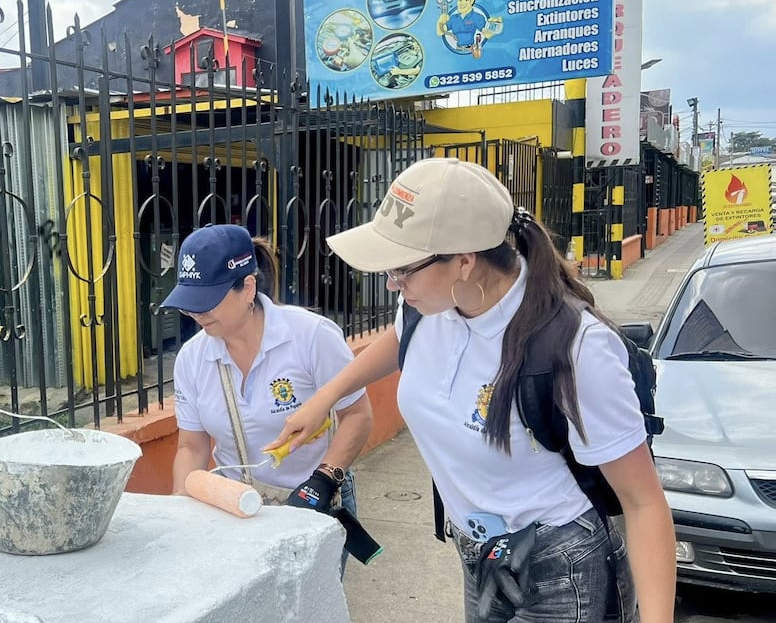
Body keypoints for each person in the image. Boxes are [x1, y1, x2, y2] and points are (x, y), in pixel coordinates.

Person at [268, 158, 675, 622]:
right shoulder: (427, 305)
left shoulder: (576, 349)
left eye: (402, 270)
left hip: (559, 567)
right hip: (482, 554)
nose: (393, 285)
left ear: (464, 260)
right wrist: (323, 400)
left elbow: (644, 503)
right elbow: (399, 338)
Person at [164, 225, 374, 565]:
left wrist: (323, 481)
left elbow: (357, 415)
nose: (196, 314)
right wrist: (179, 507)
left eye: (207, 301)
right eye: (189, 304)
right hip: (234, 506)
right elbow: (192, 446)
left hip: (313, 502)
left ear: (248, 287)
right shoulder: (192, 358)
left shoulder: (311, 336)